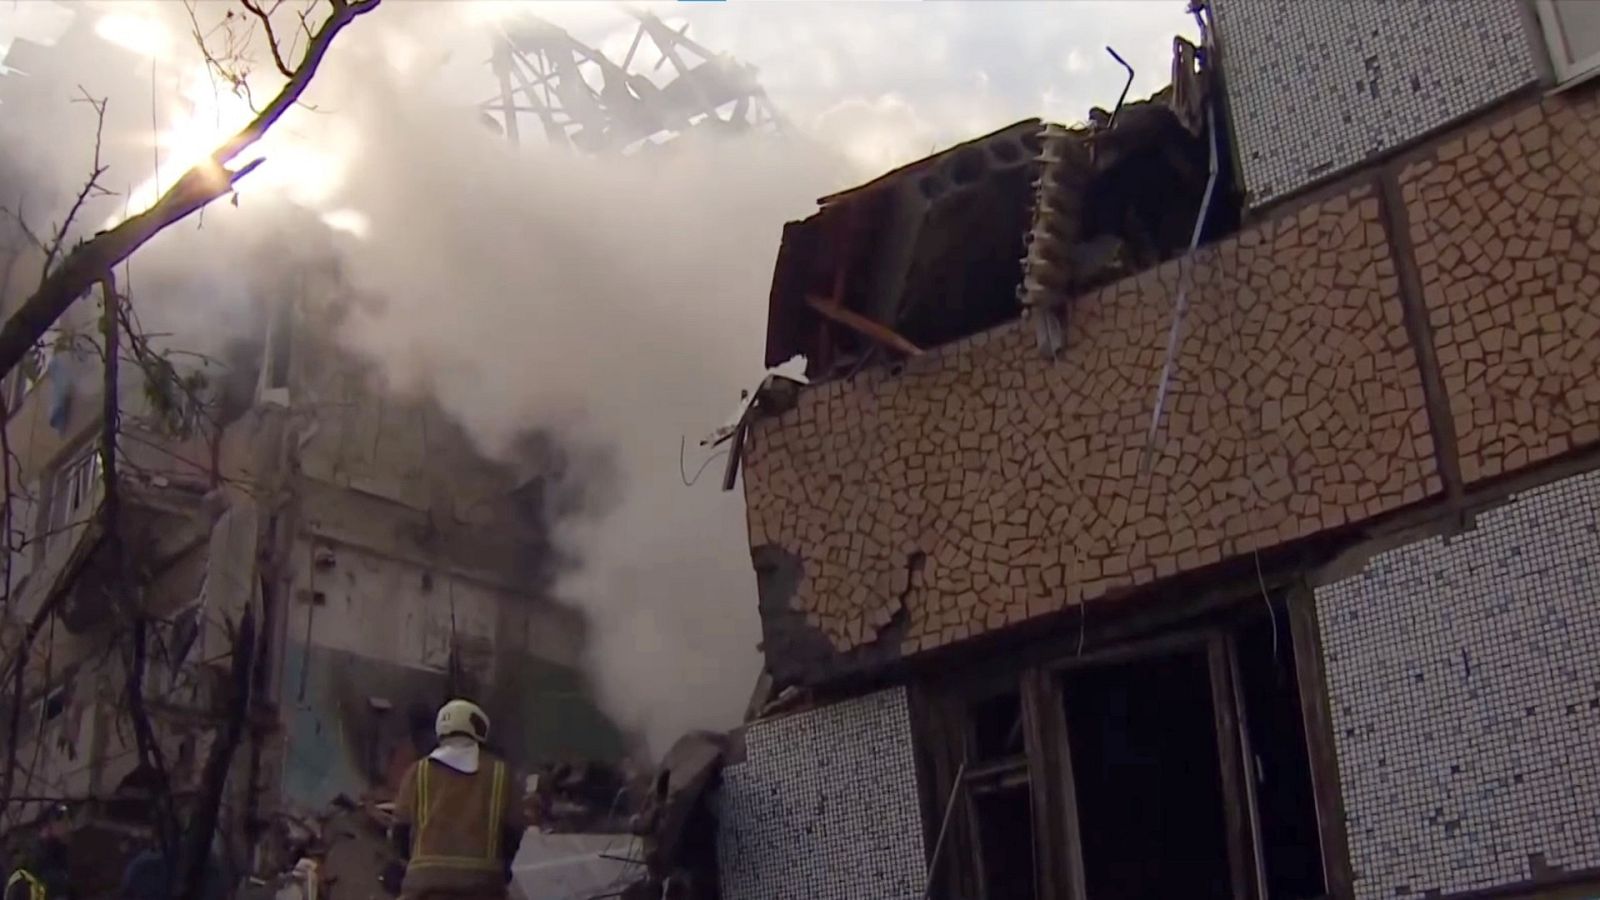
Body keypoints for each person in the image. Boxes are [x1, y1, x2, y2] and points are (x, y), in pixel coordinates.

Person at [391, 699, 525, 900]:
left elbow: (400, 831)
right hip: (483, 886)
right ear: (478, 728)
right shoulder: (501, 773)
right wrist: (501, 868)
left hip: (423, 887)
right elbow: (513, 832)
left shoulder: (417, 772)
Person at [4, 804, 71, 900]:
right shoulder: (32, 857)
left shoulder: (59, 853)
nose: (68, 826)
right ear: (46, 828)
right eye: (63, 822)